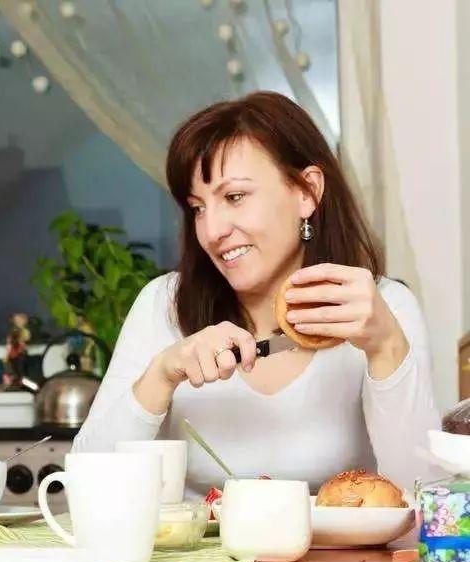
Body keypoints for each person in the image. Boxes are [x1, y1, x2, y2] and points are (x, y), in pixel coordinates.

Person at [73, 92, 439, 497]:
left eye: (234, 197)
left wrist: (386, 345)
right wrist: (160, 375)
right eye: (197, 208)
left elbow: (427, 502)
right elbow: (84, 491)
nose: (212, 231)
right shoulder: (163, 305)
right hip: (197, 561)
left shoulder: (383, 307)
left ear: (306, 192)